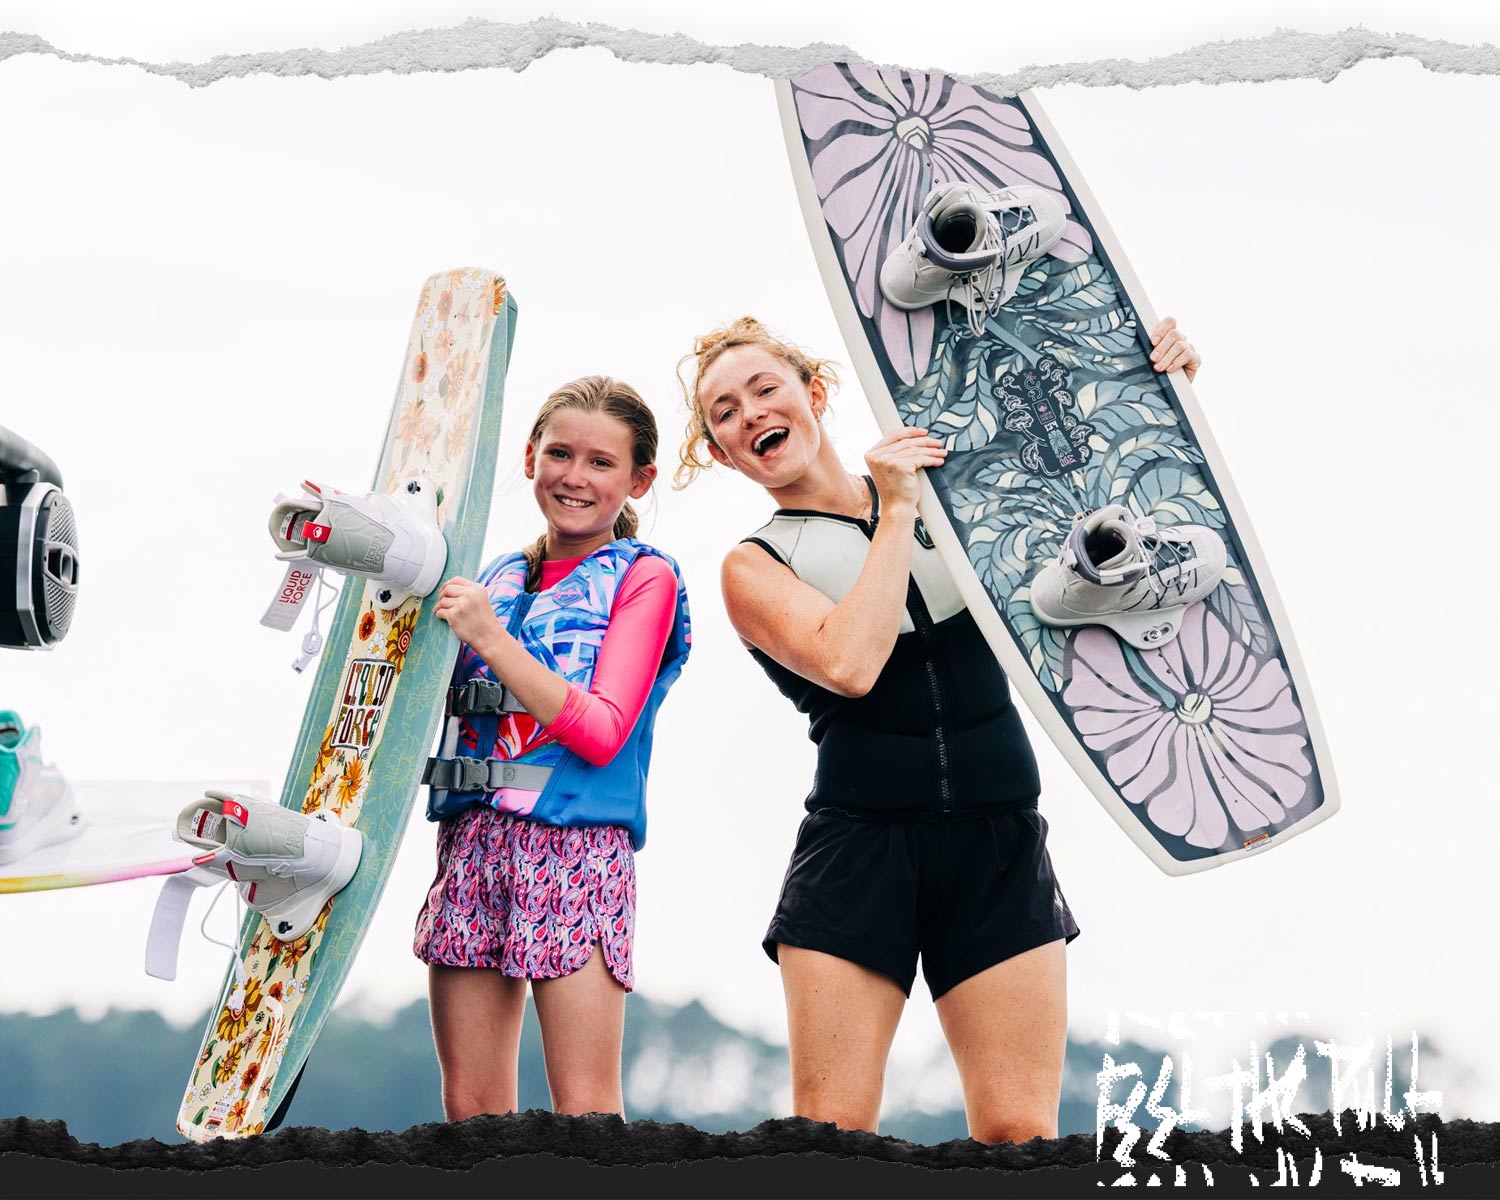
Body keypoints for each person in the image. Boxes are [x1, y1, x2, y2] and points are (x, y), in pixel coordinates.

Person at [675, 316, 1198, 1143]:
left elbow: (1096, 491)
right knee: (832, 1138)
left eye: (765, 389)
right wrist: (895, 511)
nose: (750, 414)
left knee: (1020, 1138)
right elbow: (849, 664)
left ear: (813, 394)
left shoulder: (955, 495)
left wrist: (1156, 378)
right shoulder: (754, 565)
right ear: (724, 454)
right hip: (860, 852)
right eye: (725, 413)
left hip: (998, 841)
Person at [413, 375, 691, 1122]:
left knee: (586, 1113)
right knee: (470, 1112)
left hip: (574, 851)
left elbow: (602, 731)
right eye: (560, 453)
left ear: (639, 480)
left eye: (601, 463)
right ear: (531, 455)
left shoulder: (645, 579)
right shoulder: (492, 578)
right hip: (472, 846)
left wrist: (490, 637)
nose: (574, 476)